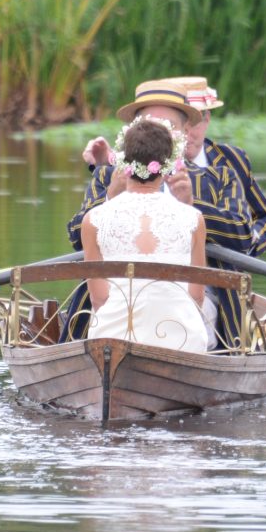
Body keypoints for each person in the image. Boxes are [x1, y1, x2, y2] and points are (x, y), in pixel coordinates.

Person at [64, 76, 266, 348]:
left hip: (197, 299)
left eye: (169, 127)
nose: (159, 135)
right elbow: (76, 237)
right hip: (112, 298)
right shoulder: (107, 176)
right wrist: (111, 196)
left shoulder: (220, 176)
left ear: (183, 132)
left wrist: (192, 205)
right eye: (152, 126)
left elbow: (242, 238)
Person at [77, 115, 210, 353]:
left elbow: (98, 300)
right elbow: (197, 297)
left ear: (122, 162)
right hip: (180, 339)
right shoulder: (193, 219)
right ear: (169, 164)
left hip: (114, 339)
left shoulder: (93, 220)